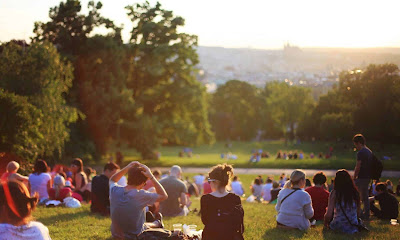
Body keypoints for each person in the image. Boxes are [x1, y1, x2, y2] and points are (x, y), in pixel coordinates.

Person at [109, 161, 168, 239]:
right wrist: (151, 176)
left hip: (116, 235)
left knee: (140, 222)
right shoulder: (141, 195)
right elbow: (164, 196)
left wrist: (127, 168)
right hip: (135, 236)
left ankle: (157, 223)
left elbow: (112, 180)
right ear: (143, 183)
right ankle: (157, 223)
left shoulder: (115, 191)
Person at [201, 164, 244, 240]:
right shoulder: (235, 198)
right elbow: (238, 222)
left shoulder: (205, 199)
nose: (209, 183)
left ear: (215, 182)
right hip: (230, 236)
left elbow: (205, 221)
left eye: (209, 181)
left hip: (211, 236)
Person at [324, 169, 361, 234]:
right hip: (353, 226)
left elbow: (328, 214)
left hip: (338, 226)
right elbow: (358, 212)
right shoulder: (355, 193)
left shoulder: (335, 193)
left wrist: (325, 224)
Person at [352, 134, 372, 220]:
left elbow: (358, 166)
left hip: (361, 177)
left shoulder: (361, 153)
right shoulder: (369, 151)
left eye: (356, 144)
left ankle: (359, 213)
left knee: (356, 195)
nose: (356, 147)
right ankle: (366, 213)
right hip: (367, 176)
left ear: (359, 143)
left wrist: (354, 176)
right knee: (365, 196)